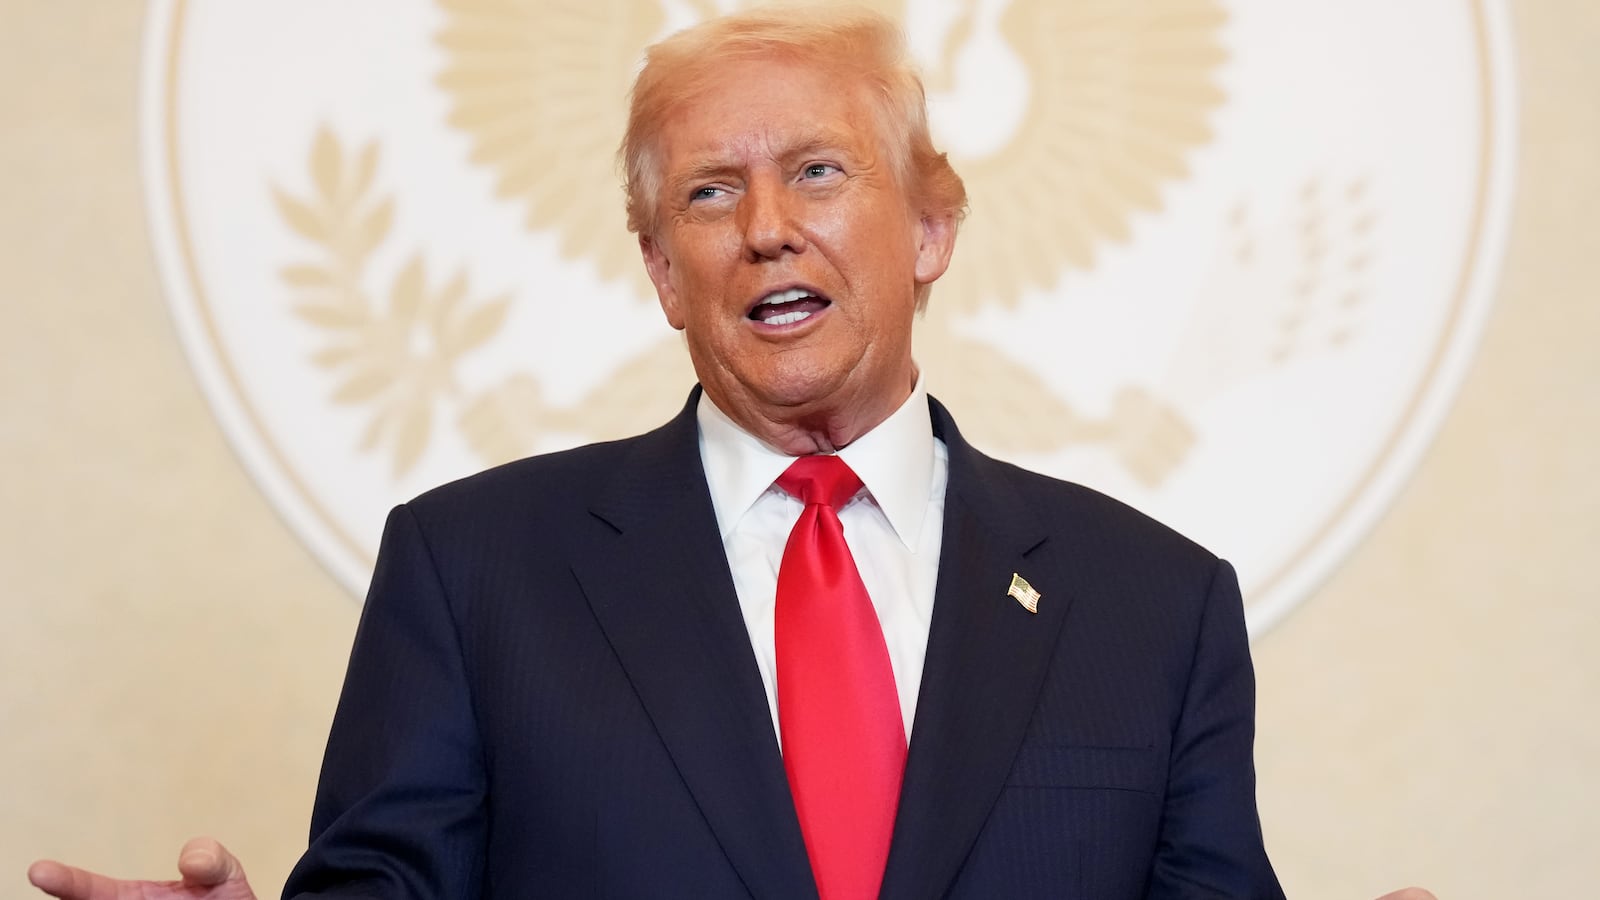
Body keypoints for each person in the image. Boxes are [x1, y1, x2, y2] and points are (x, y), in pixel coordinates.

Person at [28, 7, 1435, 900]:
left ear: (931, 228)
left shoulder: (1156, 605)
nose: (767, 225)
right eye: (710, 193)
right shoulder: (475, 573)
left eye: (818, 171)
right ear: (659, 268)